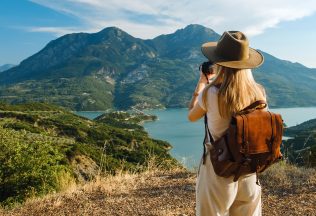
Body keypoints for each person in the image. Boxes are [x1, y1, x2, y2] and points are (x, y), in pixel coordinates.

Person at [188, 31, 266, 216]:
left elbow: (191, 115)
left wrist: (202, 82)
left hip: (218, 169)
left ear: (219, 63)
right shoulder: (259, 93)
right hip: (248, 169)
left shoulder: (210, 93)